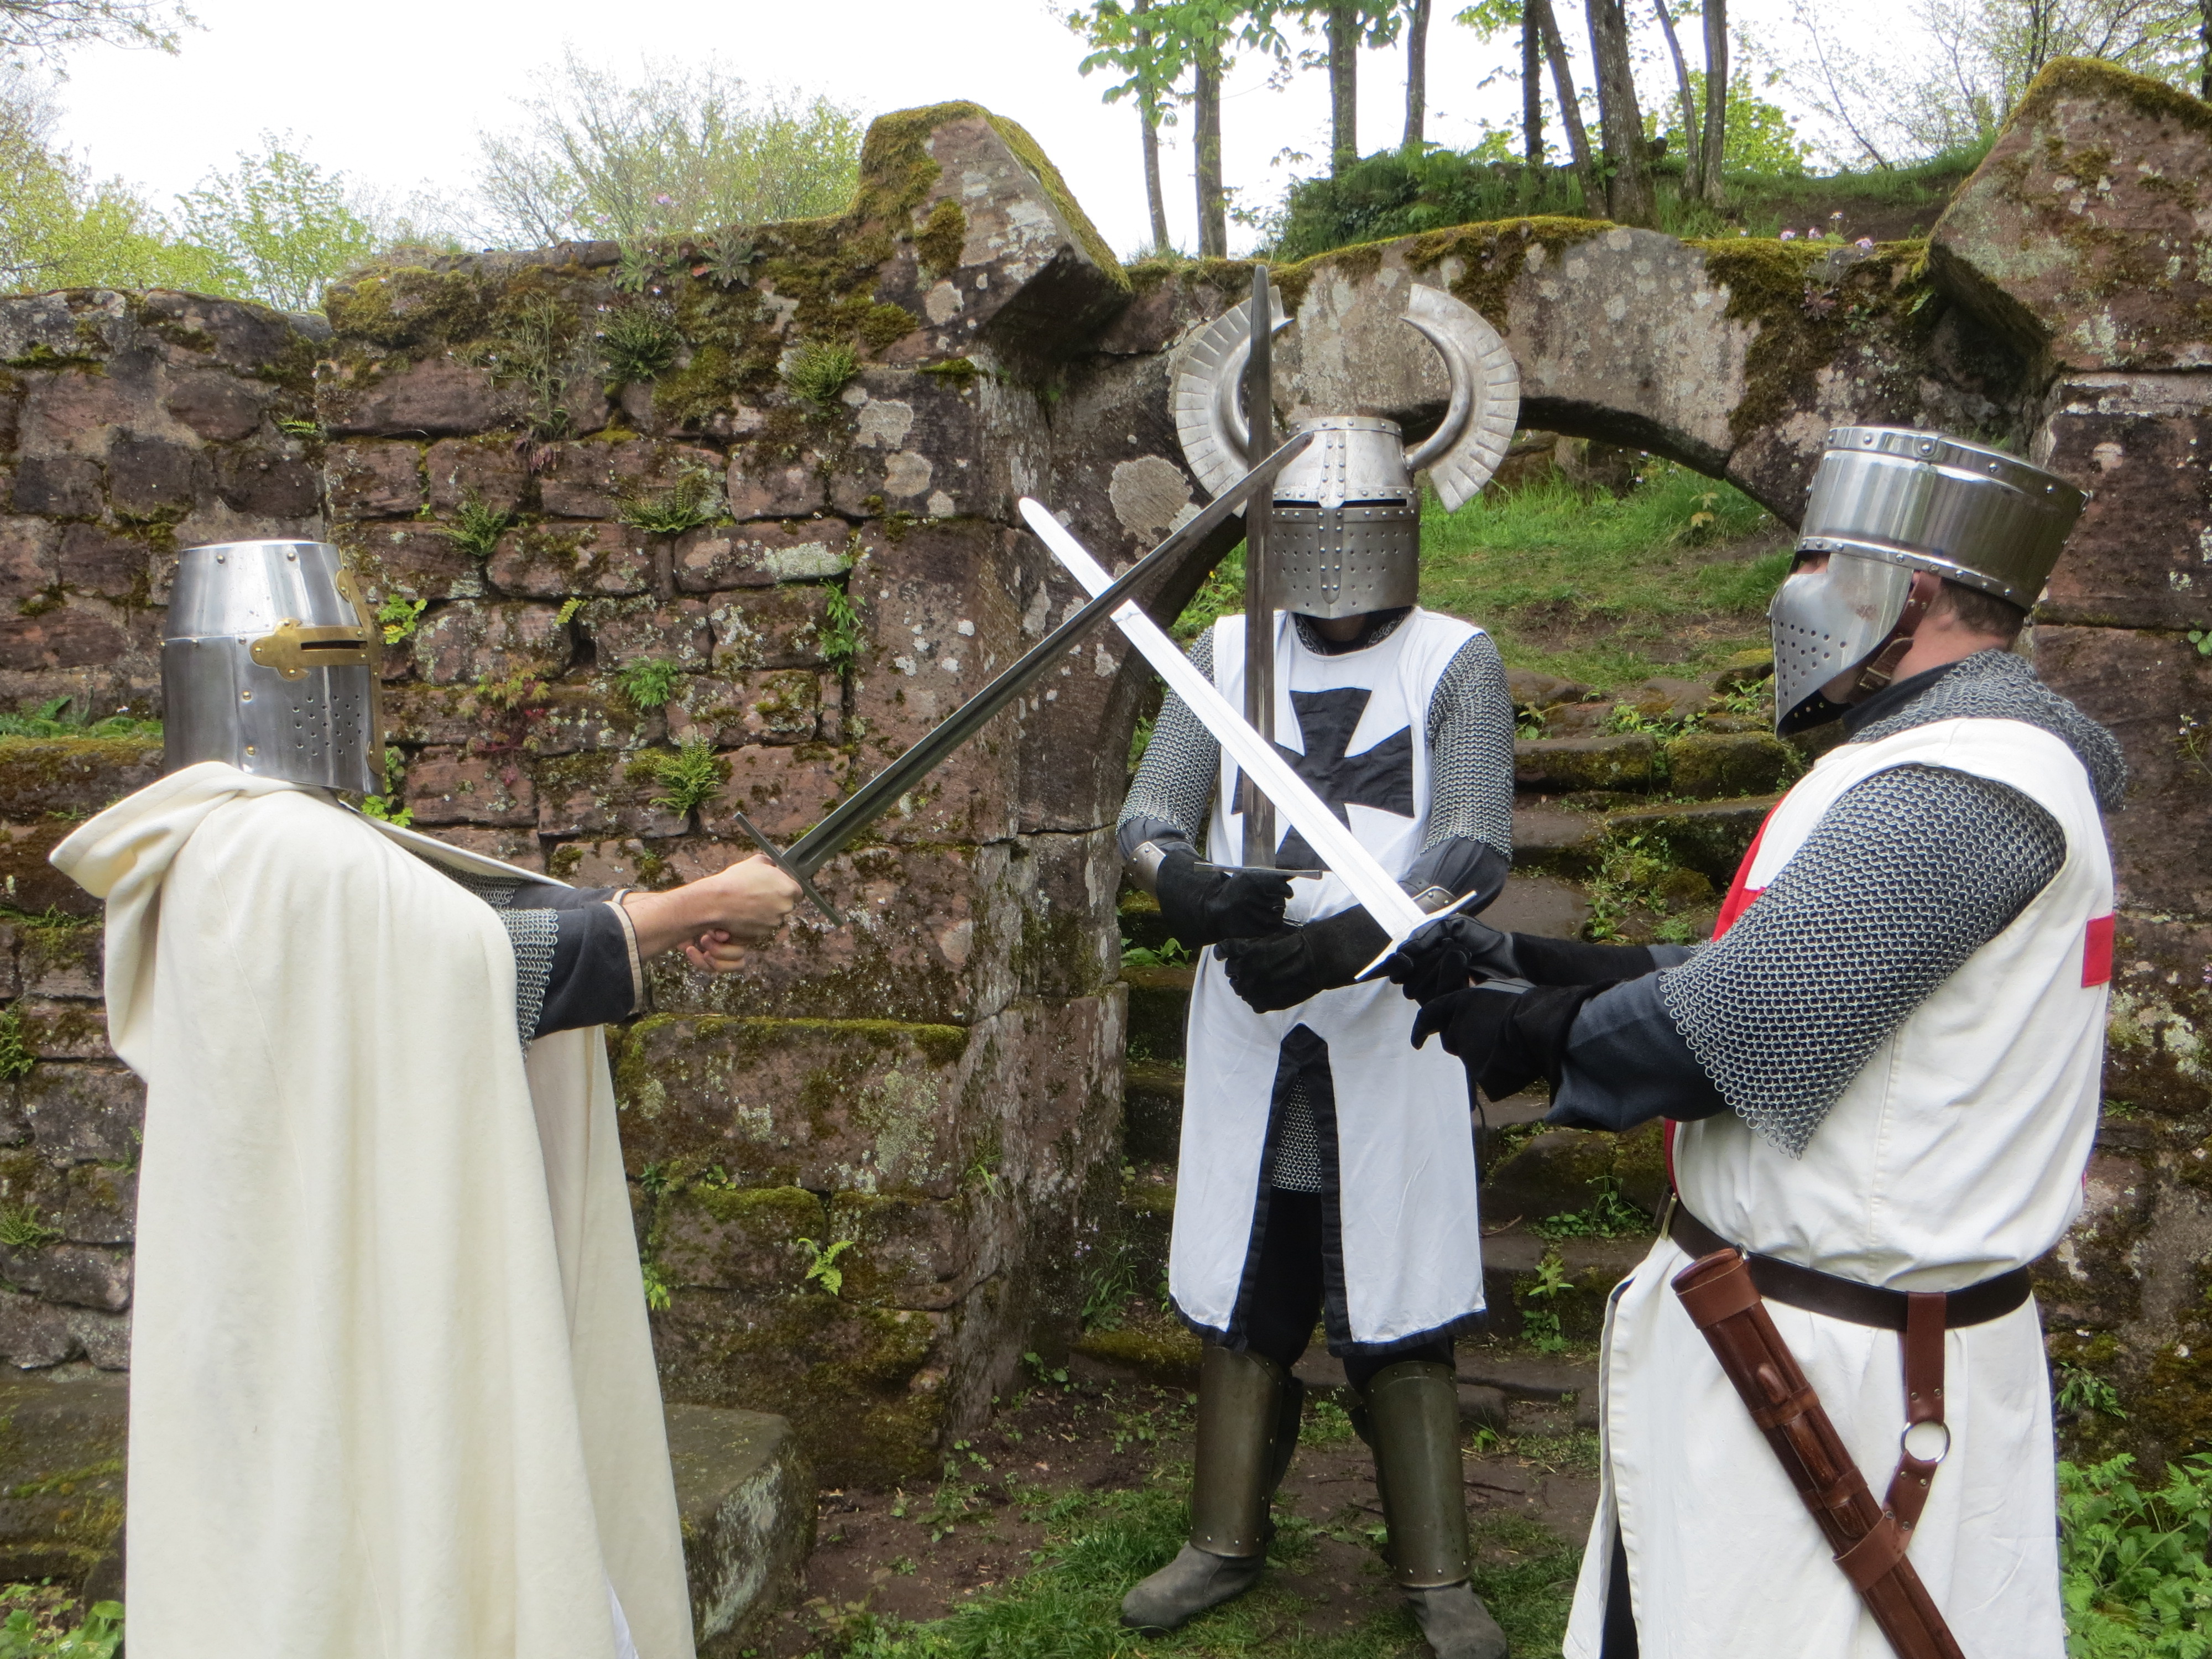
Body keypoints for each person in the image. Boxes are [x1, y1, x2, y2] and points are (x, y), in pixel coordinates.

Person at [1385, 427, 2117, 1659]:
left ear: (1908, 591)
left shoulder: (1964, 780)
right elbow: (1784, 977)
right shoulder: (1950, 763)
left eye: (1820, 559)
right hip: (1809, 1344)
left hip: (1848, 1374)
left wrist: (1523, 1034)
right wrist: (1543, 963)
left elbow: (1743, 1023)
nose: (1797, 588)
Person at [51, 540, 800, 1659]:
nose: (339, 684)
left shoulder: (243, 838)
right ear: (247, 673)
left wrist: (643, 916)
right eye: (318, 654)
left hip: (312, 1257)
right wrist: (687, 907)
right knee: (344, 1537)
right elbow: (460, 967)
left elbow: (451, 947)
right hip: (310, 1280)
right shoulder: (276, 849)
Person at [1116, 282, 1521, 1659]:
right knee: (1249, 1274)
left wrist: (1353, 938)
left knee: (1395, 1277)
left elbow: (1470, 843)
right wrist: (1179, 881)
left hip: (1391, 1013)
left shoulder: (1454, 661)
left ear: (1402, 524)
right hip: (1246, 1012)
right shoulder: (1225, 652)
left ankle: (1436, 1575)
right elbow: (1150, 812)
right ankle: (1219, 1539)